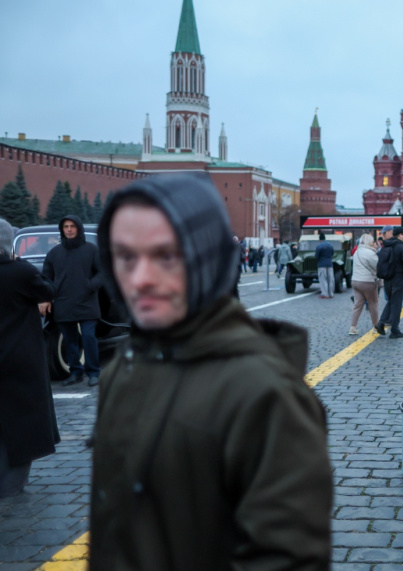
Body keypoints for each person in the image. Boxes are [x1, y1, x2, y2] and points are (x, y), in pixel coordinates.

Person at [89, 173, 332, 569]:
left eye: (166, 255)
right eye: (126, 257)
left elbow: (286, 558)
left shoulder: (265, 393)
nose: (141, 278)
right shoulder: (125, 367)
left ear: (206, 256)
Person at [0, 219, 59, 497]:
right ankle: (12, 483)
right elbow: (46, 289)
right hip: (20, 356)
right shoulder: (20, 272)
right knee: (25, 420)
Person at [40, 215, 104, 387]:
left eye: (72, 226)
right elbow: (46, 277)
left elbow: (102, 273)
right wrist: (47, 297)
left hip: (87, 301)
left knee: (89, 337)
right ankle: (75, 372)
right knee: (70, 340)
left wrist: (90, 286)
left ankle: (93, 372)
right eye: (66, 226)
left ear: (78, 228)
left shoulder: (91, 250)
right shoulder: (54, 253)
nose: (68, 229)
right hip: (63, 302)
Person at [375, 226, 403, 338]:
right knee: (396, 304)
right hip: (398, 278)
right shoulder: (401, 247)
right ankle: (394, 330)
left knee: (392, 301)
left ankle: (381, 323)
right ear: (400, 235)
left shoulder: (385, 246)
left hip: (387, 279)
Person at [349, 233, 379, 335]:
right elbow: (377, 266)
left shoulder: (357, 252)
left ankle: (353, 327)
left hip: (355, 281)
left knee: (357, 305)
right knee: (373, 304)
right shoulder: (370, 253)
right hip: (367, 282)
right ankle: (376, 327)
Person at [315, 233, 335, 298]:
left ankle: (325, 294)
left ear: (320, 239)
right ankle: (331, 293)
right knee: (330, 279)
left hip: (322, 264)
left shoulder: (319, 246)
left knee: (323, 279)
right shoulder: (330, 245)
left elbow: (316, 256)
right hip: (330, 263)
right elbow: (332, 253)